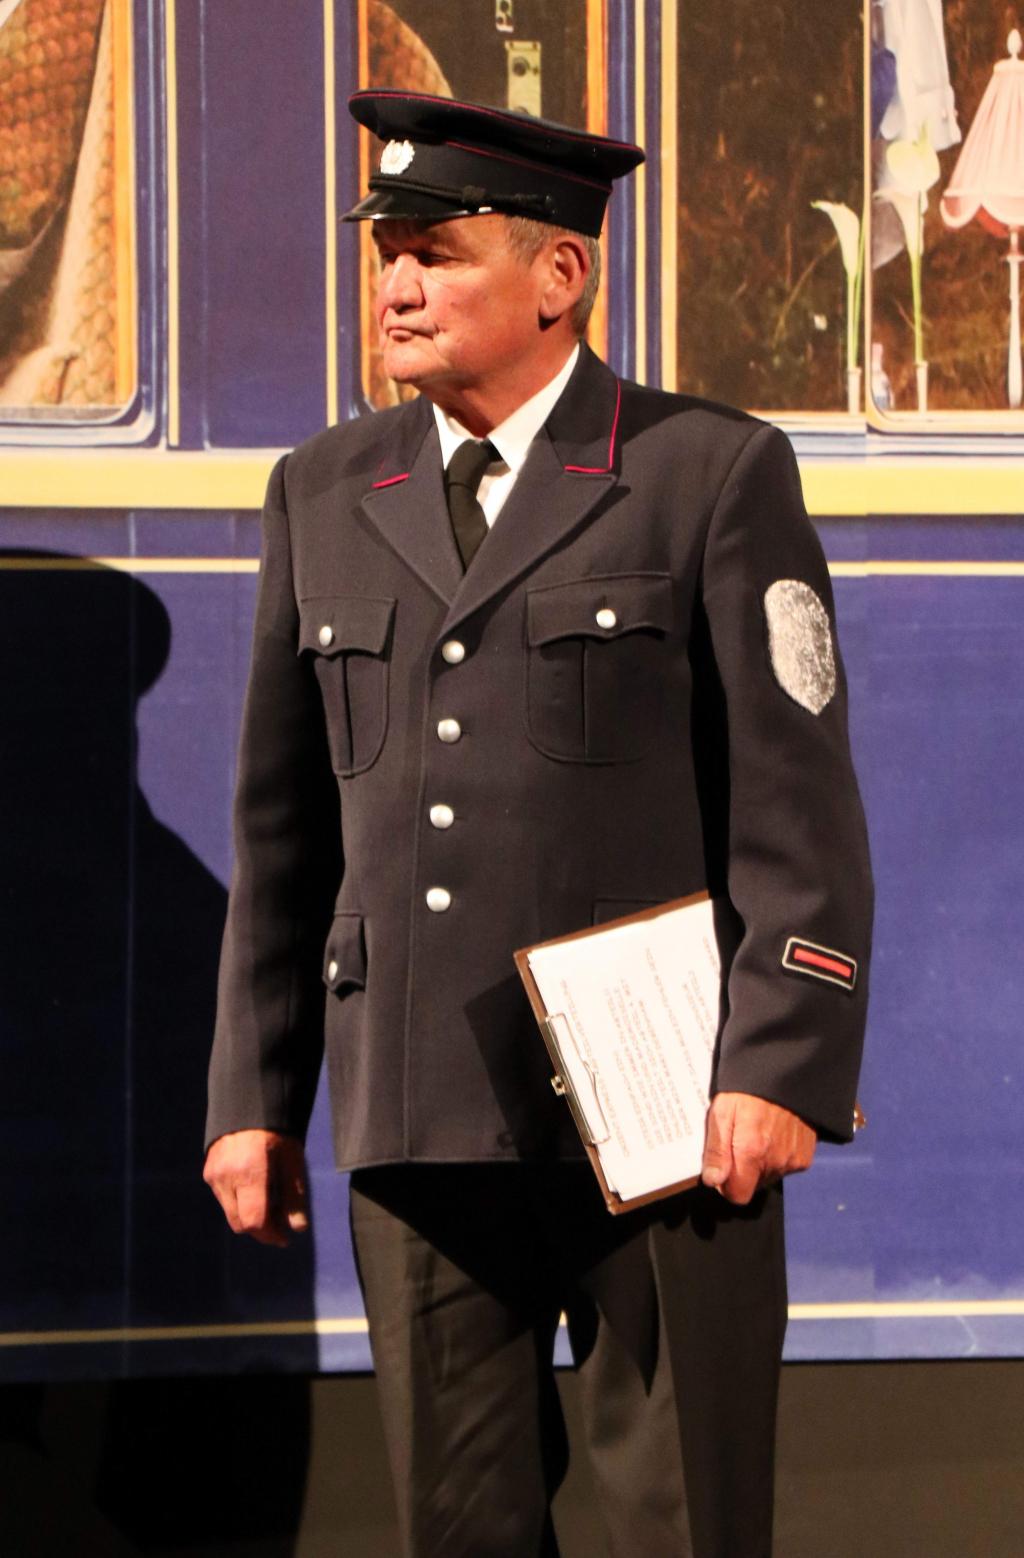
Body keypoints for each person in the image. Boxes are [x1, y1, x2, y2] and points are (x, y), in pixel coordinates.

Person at [204, 90, 873, 1558]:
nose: (396, 286)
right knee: (459, 1527)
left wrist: (779, 1063)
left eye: (435, 254)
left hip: (661, 1109)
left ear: (560, 274)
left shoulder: (706, 471)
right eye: (387, 254)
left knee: (680, 1522)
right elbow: (285, 831)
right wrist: (253, 1093)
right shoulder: (324, 490)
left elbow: (798, 808)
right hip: (418, 1099)